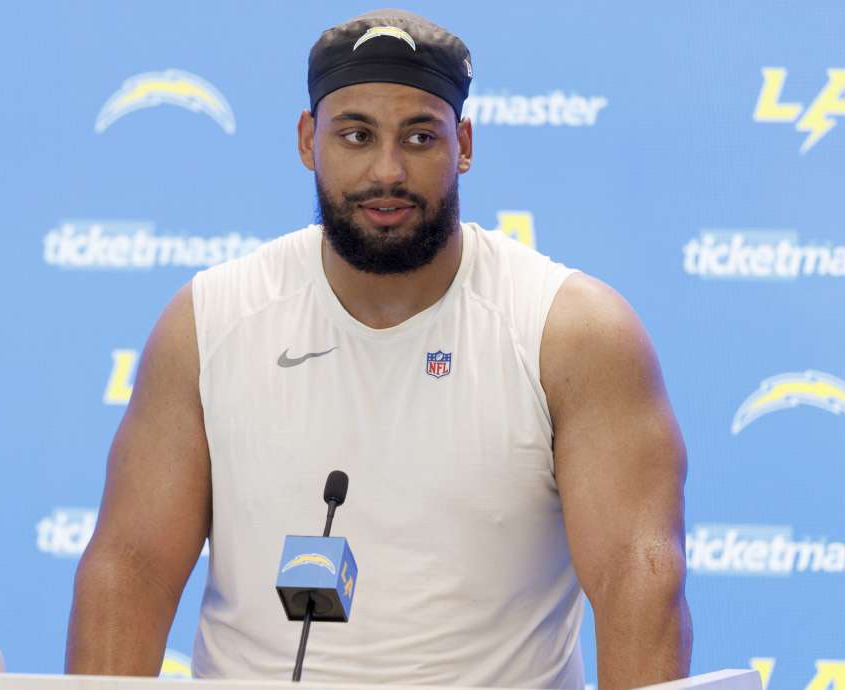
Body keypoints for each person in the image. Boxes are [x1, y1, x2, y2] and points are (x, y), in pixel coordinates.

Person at [66, 9, 691, 690]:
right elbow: (131, 568)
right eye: (356, 135)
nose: (386, 171)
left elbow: (641, 579)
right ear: (309, 140)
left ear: (465, 145)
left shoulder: (572, 331)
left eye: (420, 136)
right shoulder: (210, 321)